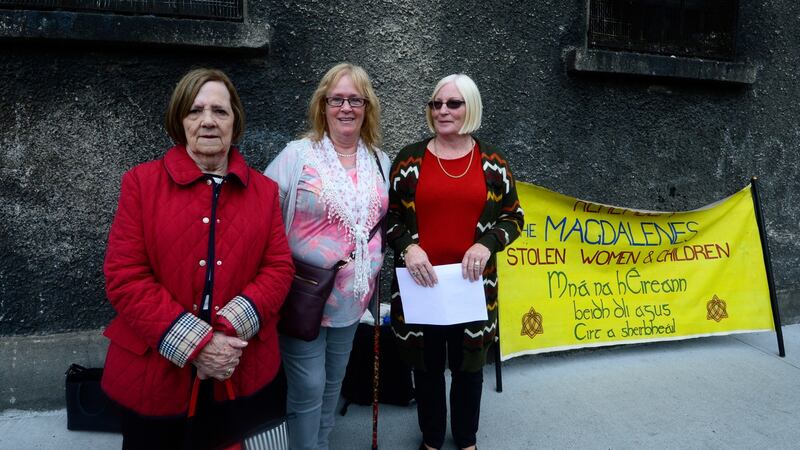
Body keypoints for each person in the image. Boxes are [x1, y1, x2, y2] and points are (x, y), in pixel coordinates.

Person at [101, 68, 295, 449]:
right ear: (180, 120)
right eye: (195, 111)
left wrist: (228, 330)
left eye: (220, 111)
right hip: (158, 372)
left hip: (243, 364)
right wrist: (198, 345)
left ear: (235, 121)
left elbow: (279, 268)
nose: (208, 121)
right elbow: (125, 276)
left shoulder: (265, 191)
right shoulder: (140, 183)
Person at [387, 74, 524, 450]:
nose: (442, 111)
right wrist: (407, 248)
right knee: (426, 367)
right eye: (436, 104)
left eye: (453, 103)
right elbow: (389, 217)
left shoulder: (493, 163)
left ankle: (466, 440)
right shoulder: (409, 160)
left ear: (471, 108)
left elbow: (514, 217)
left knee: (469, 367)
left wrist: (486, 244)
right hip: (421, 284)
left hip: (473, 286)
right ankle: (431, 439)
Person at [264, 63, 389, 450]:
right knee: (308, 386)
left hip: (353, 298)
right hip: (304, 295)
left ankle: (320, 443)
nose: (346, 107)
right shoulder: (298, 156)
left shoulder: (379, 160)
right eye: (337, 99)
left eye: (356, 99)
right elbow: (262, 214)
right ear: (323, 105)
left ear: (367, 107)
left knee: (334, 381)